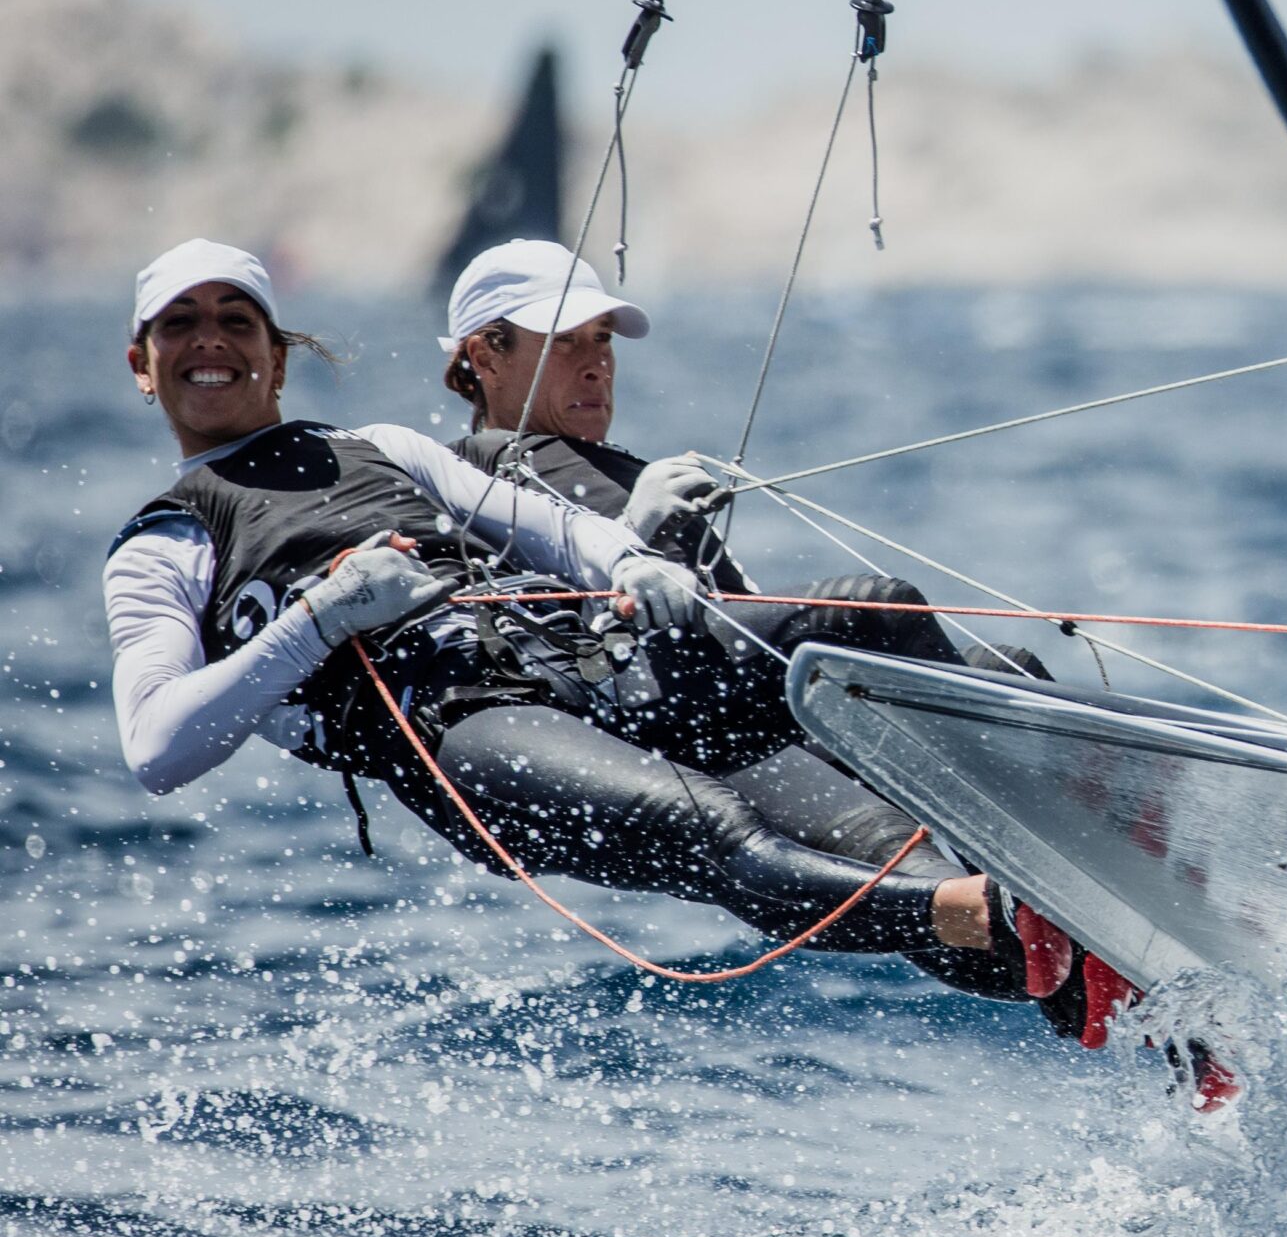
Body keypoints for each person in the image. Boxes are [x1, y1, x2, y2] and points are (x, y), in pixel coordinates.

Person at [103, 238, 1048, 991]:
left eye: (237, 318)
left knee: (869, 619)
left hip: (573, 674)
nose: (211, 338)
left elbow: (551, 529)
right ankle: (984, 914)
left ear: (277, 352)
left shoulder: (380, 445)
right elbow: (156, 749)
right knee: (714, 827)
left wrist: (636, 558)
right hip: (460, 736)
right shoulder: (166, 543)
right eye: (180, 324)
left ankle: (1085, 904)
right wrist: (320, 619)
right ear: (145, 366)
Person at [429, 241, 1138, 1045]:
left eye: (603, 341)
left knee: (930, 855)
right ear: (485, 355)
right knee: (879, 611)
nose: (596, 366)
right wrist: (635, 530)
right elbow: (557, 629)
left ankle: (1122, 999)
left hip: (736, 713)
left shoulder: (596, 462)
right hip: (668, 714)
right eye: (564, 343)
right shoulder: (492, 468)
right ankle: (1091, 845)